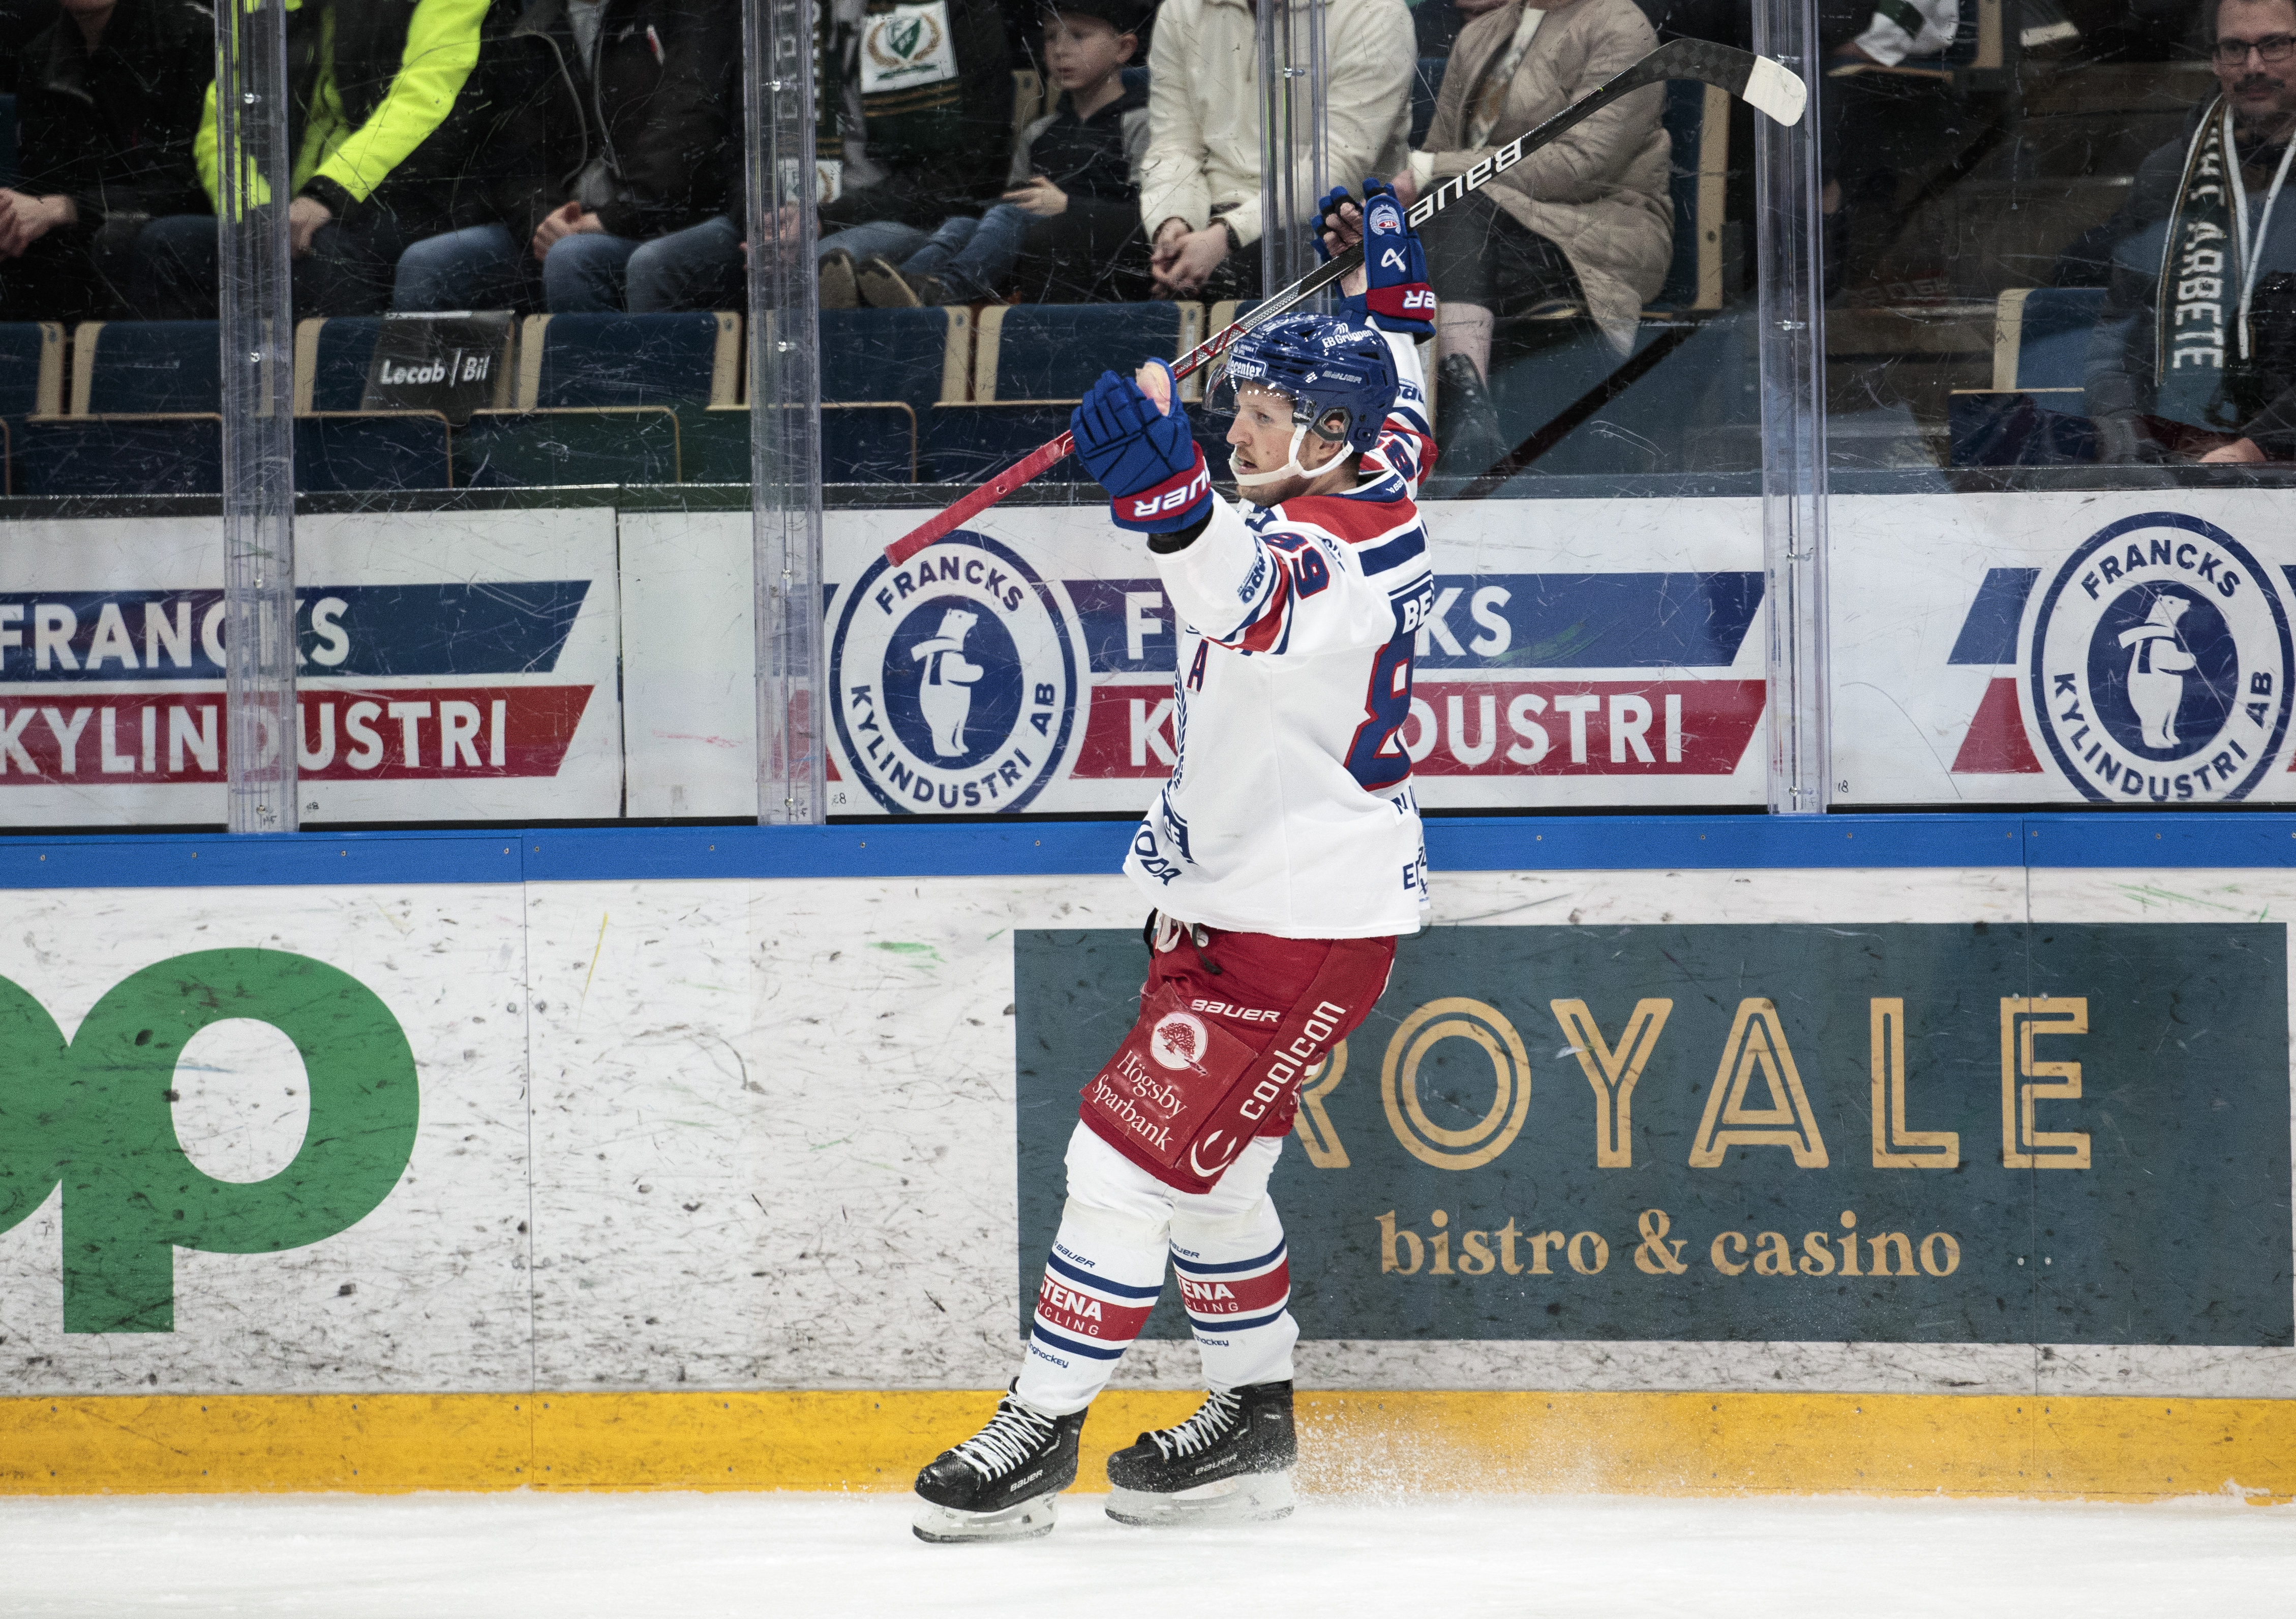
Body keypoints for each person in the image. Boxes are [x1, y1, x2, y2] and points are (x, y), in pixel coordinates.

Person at [908, 179, 1436, 1543]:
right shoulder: (1369, 457)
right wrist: (1391, 297)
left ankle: (1039, 1428)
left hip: (1291, 926)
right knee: (1215, 1179)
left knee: (1122, 1162)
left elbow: (1248, 600)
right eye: (1241, 404)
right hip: (1234, 906)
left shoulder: (1341, 556)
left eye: (1262, 413)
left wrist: (1166, 500)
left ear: (1325, 437)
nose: (1237, 421)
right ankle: (1253, 1429)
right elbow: (1406, 393)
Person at [1399, 0, 1670, 474]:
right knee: (1428, 216)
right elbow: (1439, 158)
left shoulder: (1621, 26)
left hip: (1598, 226)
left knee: (1453, 201)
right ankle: (1461, 408)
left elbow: (1580, 166)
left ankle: (1465, 407)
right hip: (1482, 225)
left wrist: (1433, 170)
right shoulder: (1480, 33)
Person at [135, 0, 510, 319]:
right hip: (288, 208)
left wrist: (327, 196)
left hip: (405, 199)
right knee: (167, 246)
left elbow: (426, 98)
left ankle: (338, 404)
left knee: (322, 252)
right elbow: (224, 124)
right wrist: (254, 212)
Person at [390, 0, 744, 315]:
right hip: (571, 223)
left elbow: (690, 122)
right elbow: (516, 157)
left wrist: (617, 217)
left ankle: (601, 392)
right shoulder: (535, 23)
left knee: (574, 260)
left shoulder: (683, 9)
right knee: (427, 266)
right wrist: (545, 219)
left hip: (663, 218)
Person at [2085, 0, 2296, 465]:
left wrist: (2254, 449)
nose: (2254, 65)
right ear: (2215, 61)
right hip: (2179, 462)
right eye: (2235, 48)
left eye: (2276, 45)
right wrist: (2129, 437)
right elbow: (2114, 339)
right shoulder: (2167, 175)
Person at [851, 0, 1151, 308]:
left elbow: (1150, 215)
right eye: (1050, 37)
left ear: (1124, 49)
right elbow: (1012, 200)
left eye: (1078, 36)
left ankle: (946, 288)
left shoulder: (1140, 123)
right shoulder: (1039, 133)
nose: (1061, 50)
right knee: (960, 225)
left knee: (1008, 215)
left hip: (1101, 254)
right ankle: (895, 286)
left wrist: (1068, 206)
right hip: (1037, 248)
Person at [1138, 0, 1414, 302]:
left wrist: (1226, 236)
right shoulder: (1181, 9)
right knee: (1097, 243)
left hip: (1320, 222)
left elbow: (1337, 166)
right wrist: (1172, 225)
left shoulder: (1376, 12)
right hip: (1208, 213)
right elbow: (1173, 146)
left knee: (1237, 271)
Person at [0, 0, 213, 324]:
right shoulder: (40, 55)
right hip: (92, 224)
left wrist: (68, 207)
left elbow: (191, 186)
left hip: (168, 224)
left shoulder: (193, 33)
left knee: (119, 244)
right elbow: (41, 185)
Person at [812, 0, 1012, 308]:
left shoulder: (963, 10)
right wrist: (769, 222)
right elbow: (742, 155)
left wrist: (827, 217)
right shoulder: (786, 12)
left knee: (814, 266)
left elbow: (960, 175)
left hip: (912, 217)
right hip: (805, 214)